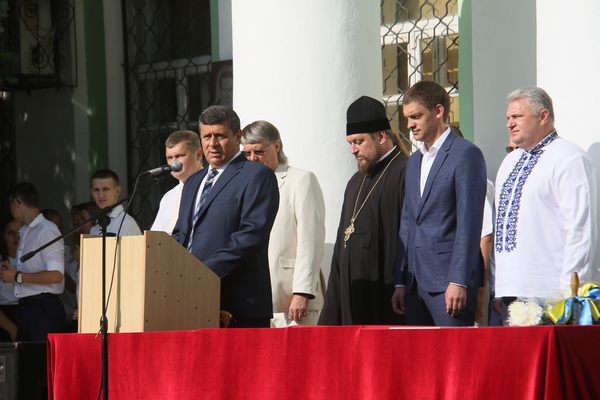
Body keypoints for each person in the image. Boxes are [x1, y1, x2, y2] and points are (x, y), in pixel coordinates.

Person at [172, 106, 279, 328]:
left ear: (238, 137)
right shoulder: (193, 182)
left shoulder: (257, 175)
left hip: (238, 304)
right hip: (189, 300)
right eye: (206, 137)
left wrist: (203, 272)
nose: (212, 143)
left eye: (220, 136)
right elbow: (182, 234)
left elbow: (251, 235)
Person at [494, 86, 598, 313]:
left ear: (543, 116)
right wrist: (499, 285)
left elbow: (580, 228)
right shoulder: (510, 162)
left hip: (550, 292)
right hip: (511, 289)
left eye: (517, 116)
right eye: (508, 118)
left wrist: (571, 292)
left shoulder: (569, 157)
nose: (510, 124)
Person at [391, 81, 487, 326]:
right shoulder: (414, 161)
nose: (409, 124)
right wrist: (401, 281)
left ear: (438, 111)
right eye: (407, 118)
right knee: (417, 351)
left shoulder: (466, 154)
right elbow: (408, 222)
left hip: (449, 284)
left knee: (455, 351)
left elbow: (469, 223)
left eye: (416, 116)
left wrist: (459, 280)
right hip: (414, 284)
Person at [319, 95, 408, 325]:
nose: (353, 150)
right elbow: (341, 245)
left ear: (381, 136)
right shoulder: (355, 182)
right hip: (353, 298)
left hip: (386, 296)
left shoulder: (405, 172)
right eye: (350, 143)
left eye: (359, 141)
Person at [241, 120, 326, 327]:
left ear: (277, 146)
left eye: (259, 151)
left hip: (291, 299)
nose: (252, 159)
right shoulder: (245, 186)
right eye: (247, 153)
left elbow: (310, 240)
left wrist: (302, 292)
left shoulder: (301, 180)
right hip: (255, 300)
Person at [0, 183, 66, 340]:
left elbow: (56, 275)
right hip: (27, 309)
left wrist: (17, 277)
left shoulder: (46, 230)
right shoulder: (25, 231)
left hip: (43, 309)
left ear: (16, 202)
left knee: (40, 355)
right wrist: (12, 273)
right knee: (26, 355)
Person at [151, 130, 203, 234]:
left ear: (198, 155)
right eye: (169, 158)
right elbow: (155, 236)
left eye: (179, 156)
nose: (174, 163)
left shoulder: (209, 187)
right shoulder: (168, 197)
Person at [89, 169, 141, 236]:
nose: (100, 195)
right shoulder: (94, 229)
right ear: (92, 193)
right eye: (96, 190)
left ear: (118, 191)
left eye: (105, 189)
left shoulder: (127, 224)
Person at [0, 219, 21, 341]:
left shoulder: (35, 263)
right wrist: (11, 328)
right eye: (11, 232)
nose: (16, 236)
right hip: (4, 316)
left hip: (31, 313)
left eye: (20, 232)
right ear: (3, 237)